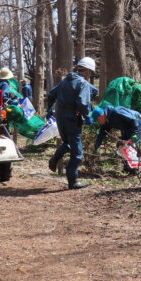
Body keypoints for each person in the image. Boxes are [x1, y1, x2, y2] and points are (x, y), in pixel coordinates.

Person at [46, 57, 96, 190]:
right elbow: (82, 103)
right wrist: (88, 116)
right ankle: (72, 181)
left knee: (67, 143)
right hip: (73, 119)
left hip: (60, 117)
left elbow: (51, 95)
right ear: (88, 71)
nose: (90, 75)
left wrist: (49, 110)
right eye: (91, 72)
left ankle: (54, 159)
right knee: (78, 153)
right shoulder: (83, 83)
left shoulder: (65, 81)